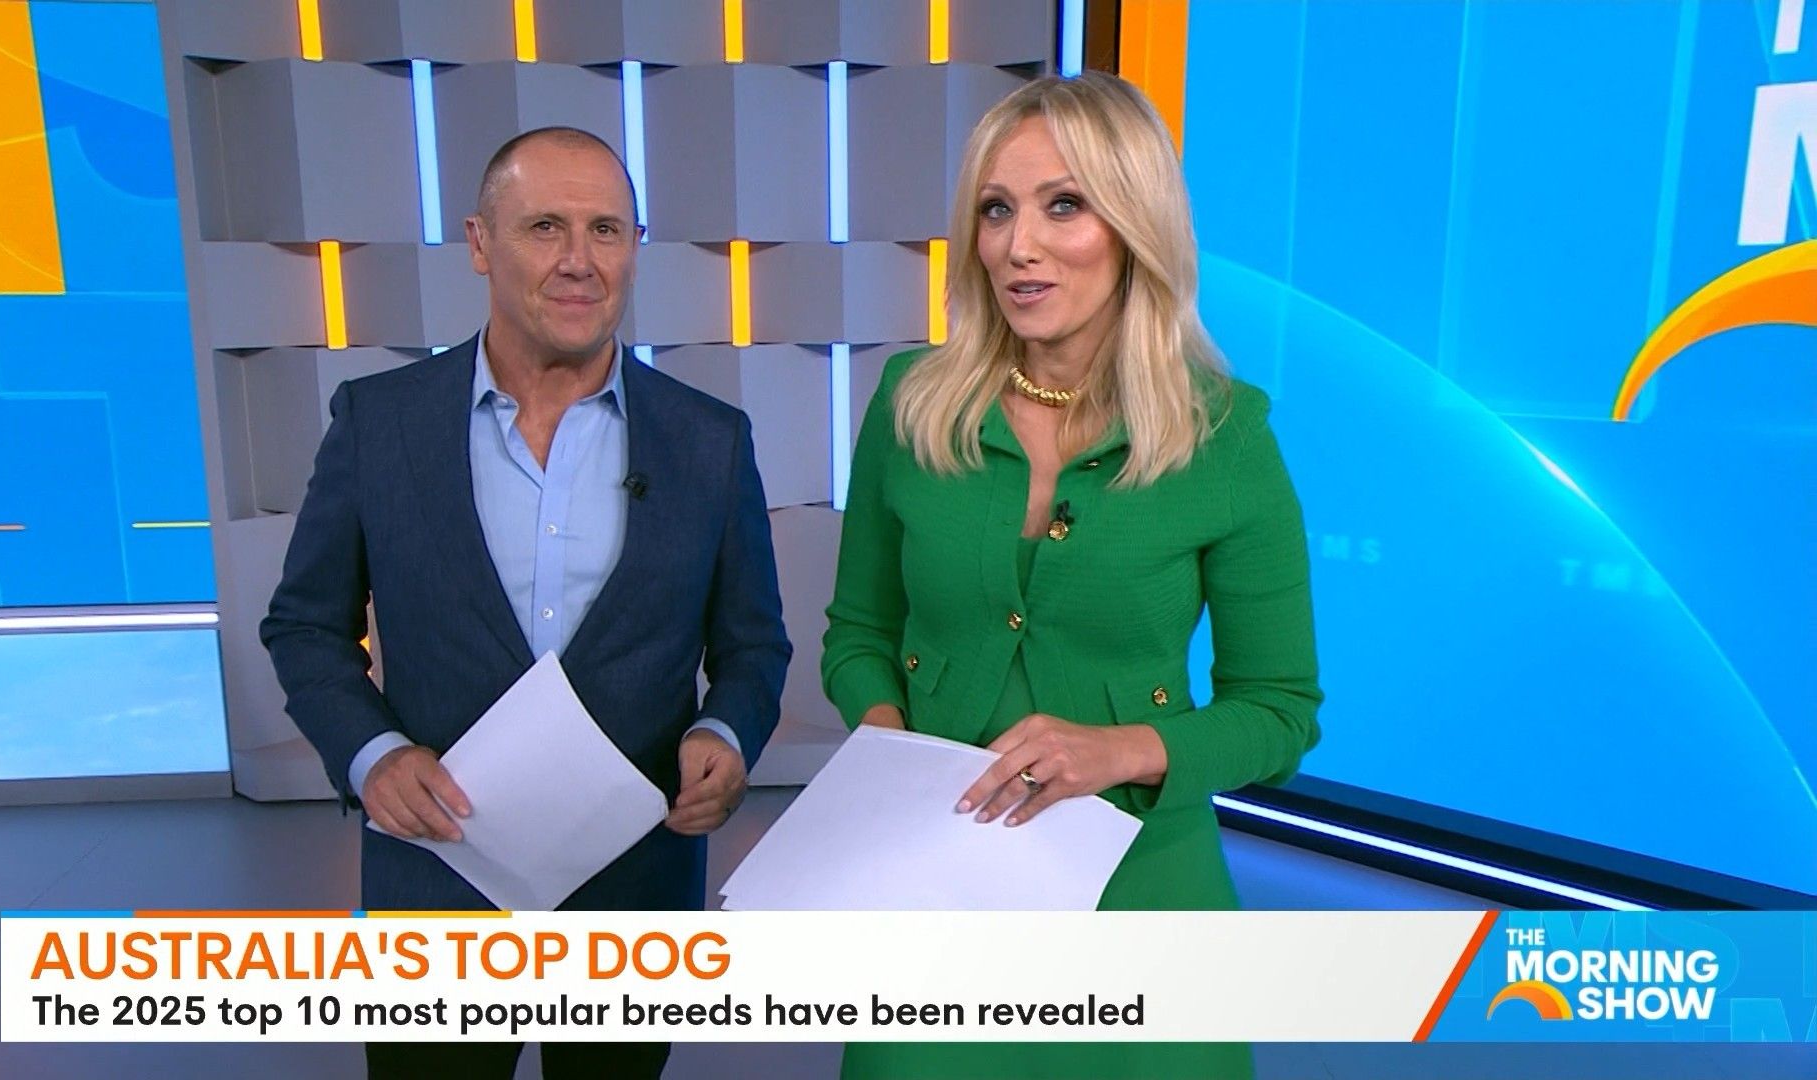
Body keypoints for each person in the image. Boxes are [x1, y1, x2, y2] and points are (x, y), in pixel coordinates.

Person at [261, 127, 791, 1080]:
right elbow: (304, 627)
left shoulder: (709, 440)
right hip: (438, 876)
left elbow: (754, 647)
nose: (579, 260)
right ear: (479, 242)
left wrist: (728, 733)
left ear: (635, 246)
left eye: (606, 230)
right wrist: (373, 755)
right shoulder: (379, 422)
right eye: (545, 227)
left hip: (633, 886)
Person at [821, 72, 1322, 1079]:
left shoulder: (1227, 437)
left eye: (1064, 206)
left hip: (1143, 891)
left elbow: (1280, 711)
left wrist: (1123, 749)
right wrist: (887, 745)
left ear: (1135, 226)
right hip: (936, 880)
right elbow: (858, 633)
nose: (1019, 245)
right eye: (996, 210)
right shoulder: (912, 404)